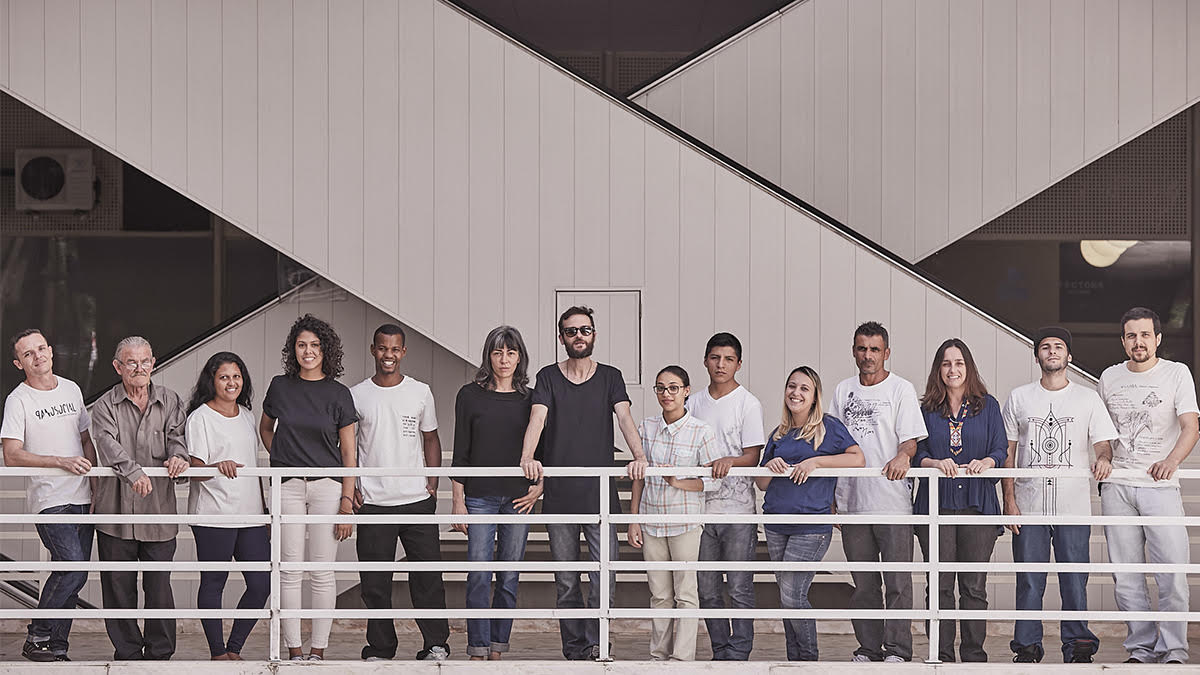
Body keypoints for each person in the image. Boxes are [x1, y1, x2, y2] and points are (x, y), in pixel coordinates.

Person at [520, 305, 649, 661]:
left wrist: (639, 457)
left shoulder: (610, 376)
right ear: (562, 337)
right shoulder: (547, 377)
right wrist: (527, 457)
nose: (579, 336)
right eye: (572, 331)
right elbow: (537, 418)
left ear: (594, 335)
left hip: (600, 496)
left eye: (585, 330)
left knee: (604, 577)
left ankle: (598, 642)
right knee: (566, 580)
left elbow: (624, 417)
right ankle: (575, 649)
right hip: (560, 495)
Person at [1002, 326, 1118, 664]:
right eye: (1045, 347)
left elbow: (1102, 443)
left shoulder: (1087, 398)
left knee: (1074, 580)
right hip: (1028, 505)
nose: (1052, 351)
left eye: (1058, 347)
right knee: (1028, 580)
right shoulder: (1019, 397)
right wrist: (1009, 501)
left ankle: (1078, 646)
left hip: (1073, 507)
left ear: (1069, 355)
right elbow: (1008, 451)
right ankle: (1026, 647)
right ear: (1037, 354)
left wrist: (1105, 459)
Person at [1097, 307, 1198, 665]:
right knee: (1126, 577)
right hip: (1118, 487)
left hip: (1160, 488)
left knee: (1171, 574)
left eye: (1144, 335)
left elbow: (1190, 426)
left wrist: (1172, 462)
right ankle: (1140, 649)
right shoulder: (1109, 377)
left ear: (1157, 339)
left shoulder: (1176, 374)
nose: (1138, 342)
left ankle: (1173, 649)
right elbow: (1103, 432)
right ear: (1123, 341)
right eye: (1131, 336)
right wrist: (1105, 456)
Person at [259, 314, 358, 662]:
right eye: (302, 345)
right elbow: (266, 429)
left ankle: (318, 650)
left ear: (325, 349)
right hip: (287, 486)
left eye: (315, 345)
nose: (308, 351)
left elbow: (349, 451)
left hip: (328, 489)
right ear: (293, 349)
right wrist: (285, 457)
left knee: (321, 570)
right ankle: (293, 649)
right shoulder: (280, 386)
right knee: (289, 569)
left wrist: (347, 501)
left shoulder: (339, 393)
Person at [351, 323, 450, 662]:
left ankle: (436, 644)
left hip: (417, 501)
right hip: (374, 503)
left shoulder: (420, 391)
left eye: (394, 349)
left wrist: (433, 484)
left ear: (403, 352)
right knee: (375, 582)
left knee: (427, 578)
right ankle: (380, 647)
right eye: (382, 348)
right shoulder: (356, 394)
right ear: (373, 350)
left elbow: (431, 439)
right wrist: (352, 489)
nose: (388, 355)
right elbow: (347, 447)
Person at [830, 321, 927, 663]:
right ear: (854, 352)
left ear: (886, 353)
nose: (867, 355)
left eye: (874, 349)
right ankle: (868, 648)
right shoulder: (843, 391)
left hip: (893, 503)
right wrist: (832, 500)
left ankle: (898, 650)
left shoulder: (900, 389)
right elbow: (831, 445)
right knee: (864, 585)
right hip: (852, 503)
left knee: (898, 583)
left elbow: (911, 439)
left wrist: (904, 454)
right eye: (861, 348)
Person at [90, 336, 189, 660]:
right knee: (118, 588)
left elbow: (178, 438)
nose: (139, 368)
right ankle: (128, 652)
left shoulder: (171, 400)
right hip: (115, 512)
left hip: (159, 512)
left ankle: (159, 654)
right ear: (118, 367)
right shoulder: (105, 405)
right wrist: (134, 473)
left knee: (159, 588)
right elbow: (107, 445)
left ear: (154, 363)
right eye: (131, 362)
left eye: (145, 361)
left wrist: (177, 456)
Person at [1, 329, 97, 662]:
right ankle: (37, 636)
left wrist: (95, 485)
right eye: (28, 353)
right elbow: (11, 454)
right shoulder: (19, 400)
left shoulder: (71, 389)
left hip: (84, 497)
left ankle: (57, 647)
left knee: (76, 573)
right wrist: (59, 461)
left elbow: (86, 440)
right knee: (71, 566)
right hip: (50, 499)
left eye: (41, 348)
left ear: (51, 351)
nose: (38, 356)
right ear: (19, 363)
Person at [756, 366, 863, 662]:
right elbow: (762, 484)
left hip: (811, 525)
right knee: (787, 597)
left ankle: (808, 662)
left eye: (804, 388)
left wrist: (816, 462)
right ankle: (796, 662)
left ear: (815, 395)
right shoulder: (778, 434)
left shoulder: (829, 427)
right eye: (792, 386)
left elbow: (858, 458)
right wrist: (771, 465)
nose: (796, 392)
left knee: (792, 594)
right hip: (776, 523)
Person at [913, 339, 1006, 662]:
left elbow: (1000, 450)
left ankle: (973, 656)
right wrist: (935, 464)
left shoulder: (988, 405)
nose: (953, 369)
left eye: (959, 363)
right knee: (938, 585)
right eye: (946, 363)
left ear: (969, 367)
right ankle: (940, 654)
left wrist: (988, 463)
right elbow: (916, 455)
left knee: (973, 586)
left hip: (978, 506)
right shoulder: (926, 409)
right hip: (935, 506)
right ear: (938, 370)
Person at [450, 325, 540, 661]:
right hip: (479, 497)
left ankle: (498, 647)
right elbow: (462, 451)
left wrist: (539, 488)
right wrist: (458, 501)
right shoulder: (469, 395)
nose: (504, 359)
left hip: (519, 498)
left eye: (511, 352)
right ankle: (477, 647)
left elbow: (543, 450)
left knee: (509, 575)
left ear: (520, 357)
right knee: (478, 572)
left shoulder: (531, 398)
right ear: (489, 355)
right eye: (498, 352)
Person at [627, 365, 723, 661]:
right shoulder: (646, 427)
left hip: (685, 523)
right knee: (659, 594)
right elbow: (638, 477)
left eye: (672, 388)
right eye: (660, 388)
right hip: (652, 521)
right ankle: (658, 656)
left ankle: (682, 659)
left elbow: (712, 482)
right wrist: (634, 519)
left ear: (686, 391)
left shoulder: (701, 431)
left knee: (685, 594)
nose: (666, 394)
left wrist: (678, 481)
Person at [184, 352, 269, 661]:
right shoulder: (200, 417)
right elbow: (195, 468)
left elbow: (255, 469)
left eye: (236, 376)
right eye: (224, 377)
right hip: (213, 515)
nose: (231, 382)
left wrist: (265, 511)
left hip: (251, 516)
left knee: (261, 584)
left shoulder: (247, 415)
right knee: (213, 583)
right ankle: (217, 652)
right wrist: (218, 465)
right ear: (212, 381)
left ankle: (235, 647)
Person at [686, 332, 765, 661]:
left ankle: (739, 652)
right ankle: (720, 651)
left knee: (739, 587)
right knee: (706, 589)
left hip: (738, 512)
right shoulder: (693, 403)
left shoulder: (748, 403)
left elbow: (753, 455)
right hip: (699, 511)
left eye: (728, 359)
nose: (721, 365)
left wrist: (727, 461)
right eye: (715, 358)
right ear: (705, 360)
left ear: (739, 364)